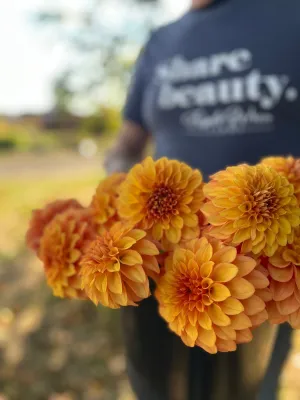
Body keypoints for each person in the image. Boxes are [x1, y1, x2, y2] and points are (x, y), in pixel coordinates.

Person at [105, 0, 299, 398]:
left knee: (250, 389)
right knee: (158, 387)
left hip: (267, 272)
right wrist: (118, 184)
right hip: (160, 266)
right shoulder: (160, 42)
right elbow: (127, 143)